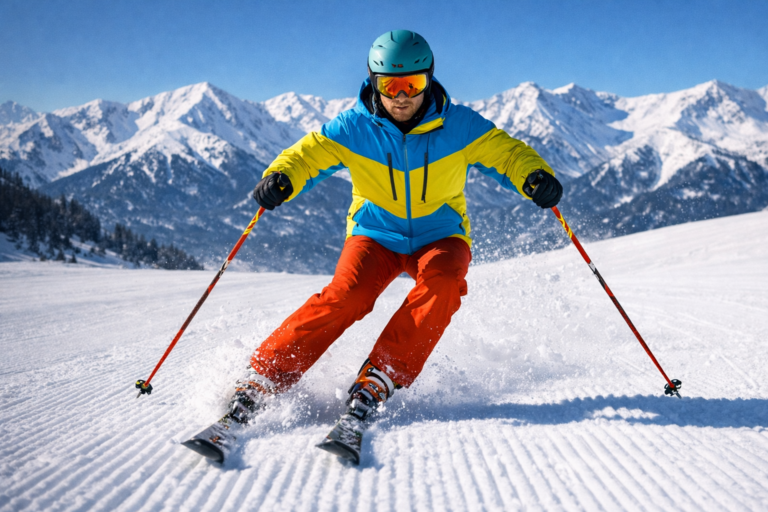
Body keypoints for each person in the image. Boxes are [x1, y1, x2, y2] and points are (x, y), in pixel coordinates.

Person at [231, 30, 562, 445]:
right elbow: (309, 154)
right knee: (346, 295)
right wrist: (282, 176)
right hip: (376, 233)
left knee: (442, 286)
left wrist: (534, 175)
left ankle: (381, 374)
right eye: (390, 85)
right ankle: (265, 374)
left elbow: (508, 152)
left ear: (429, 80)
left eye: (413, 84)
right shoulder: (354, 127)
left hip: (440, 234)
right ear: (374, 83)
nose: (402, 96)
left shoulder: (457, 125)